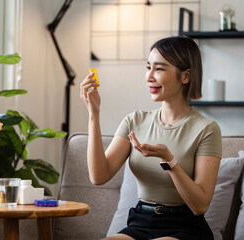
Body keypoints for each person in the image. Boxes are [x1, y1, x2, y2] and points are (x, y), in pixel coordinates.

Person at [80, 36, 222, 240]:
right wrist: (93, 114)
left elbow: (200, 205)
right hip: (141, 222)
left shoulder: (206, 129)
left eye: (159, 69)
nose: (149, 76)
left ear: (186, 76)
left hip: (185, 227)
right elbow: (99, 176)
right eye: (148, 67)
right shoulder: (134, 121)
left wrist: (169, 161)